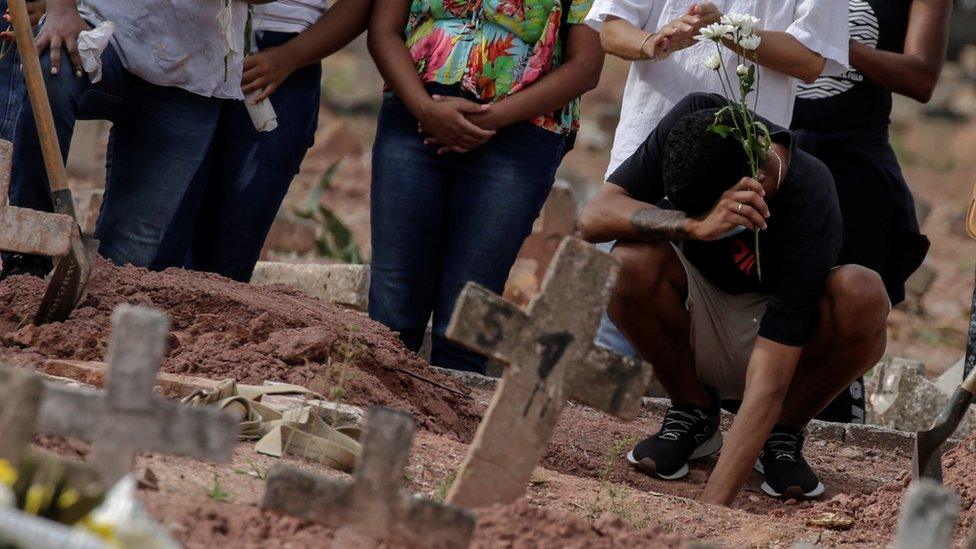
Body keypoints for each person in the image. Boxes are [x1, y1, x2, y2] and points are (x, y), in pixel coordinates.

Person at [579, 92, 890, 504]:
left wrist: (710, 513)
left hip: (774, 339)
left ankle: (782, 434)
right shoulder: (697, 120)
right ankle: (693, 412)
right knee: (626, 262)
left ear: (755, 184)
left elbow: (769, 378)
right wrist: (693, 226)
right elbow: (593, 218)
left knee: (862, 292)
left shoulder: (810, 194)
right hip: (696, 307)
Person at [582, 0, 850, 357]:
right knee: (619, 328)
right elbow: (613, 30)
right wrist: (653, 42)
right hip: (646, 160)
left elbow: (810, 60)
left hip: (742, 172)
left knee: (713, 322)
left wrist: (725, 30)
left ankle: (695, 403)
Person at [367, 0, 605, 373]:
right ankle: (375, 420)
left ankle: (449, 428)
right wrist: (425, 110)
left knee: (468, 310)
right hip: (414, 117)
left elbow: (586, 66)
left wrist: (490, 120)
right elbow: (383, 29)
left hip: (520, 131)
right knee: (392, 304)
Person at [0, 0, 257, 279]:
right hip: (100, 26)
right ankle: (25, 261)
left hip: (191, 67)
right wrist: (61, 10)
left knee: (129, 250)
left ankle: (98, 304)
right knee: (55, 69)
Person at [791, 0, 952, 424]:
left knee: (847, 305)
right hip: (772, 152)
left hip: (855, 167)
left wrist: (836, 45)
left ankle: (822, 426)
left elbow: (921, 77)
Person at [151, 0, 372, 282]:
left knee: (229, 255)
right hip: (187, 36)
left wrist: (289, 57)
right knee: (156, 238)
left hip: (285, 55)